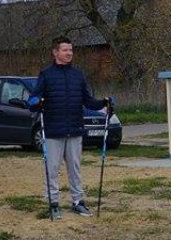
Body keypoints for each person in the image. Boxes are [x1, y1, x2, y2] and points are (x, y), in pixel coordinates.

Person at [27, 36, 113, 220]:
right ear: (55, 52)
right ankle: (53, 203)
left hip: (75, 129)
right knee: (52, 168)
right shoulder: (46, 74)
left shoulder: (78, 74)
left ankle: (78, 202)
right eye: (65, 50)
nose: (69, 53)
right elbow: (33, 100)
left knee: (75, 168)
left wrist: (103, 103)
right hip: (53, 130)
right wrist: (35, 103)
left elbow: (87, 100)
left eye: (71, 50)